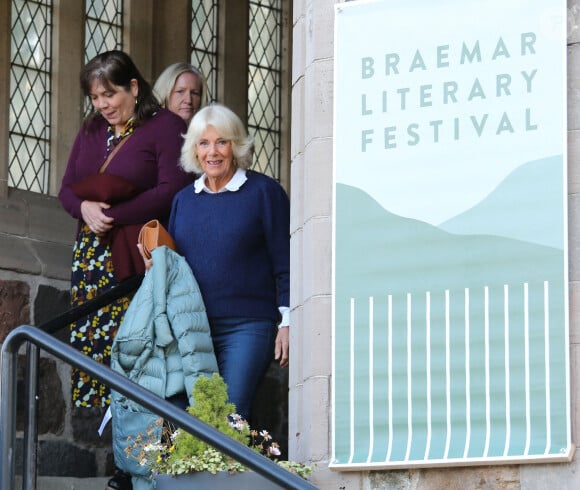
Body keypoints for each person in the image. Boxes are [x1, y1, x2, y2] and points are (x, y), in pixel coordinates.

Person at [58, 50, 193, 489]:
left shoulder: (166, 127)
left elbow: (173, 190)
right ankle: (127, 466)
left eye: (110, 93)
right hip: (92, 262)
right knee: (108, 368)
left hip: (136, 259)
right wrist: (83, 206)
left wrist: (113, 214)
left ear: (134, 88)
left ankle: (148, 467)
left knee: (146, 362)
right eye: (95, 96)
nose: (102, 104)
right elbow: (64, 191)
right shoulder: (92, 129)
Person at [138, 103, 290, 421]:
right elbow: (179, 268)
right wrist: (158, 267)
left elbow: (286, 263)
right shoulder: (183, 200)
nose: (213, 152)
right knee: (188, 416)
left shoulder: (264, 193)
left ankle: (231, 472)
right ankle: (208, 474)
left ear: (235, 145)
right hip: (193, 328)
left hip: (247, 326)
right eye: (204, 143)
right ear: (195, 150)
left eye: (222, 141)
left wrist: (288, 322)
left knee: (231, 411)